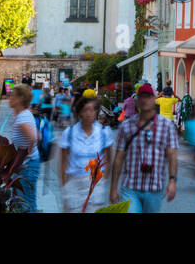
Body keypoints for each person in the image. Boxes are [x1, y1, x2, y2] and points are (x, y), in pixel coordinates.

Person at [109, 83, 178, 213]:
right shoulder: (126, 126)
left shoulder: (167, 126)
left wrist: (172, 180)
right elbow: (118, 158)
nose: (145, 100)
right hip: (130, 186)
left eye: (148, 96)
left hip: (155, 188)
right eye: (142, 97)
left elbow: (172, 155)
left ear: (154, 99)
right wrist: (113, 188)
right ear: (137, 101)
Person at [56, 94, 115, 212]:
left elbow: (109, 158)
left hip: (95, 185)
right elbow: (63, 160)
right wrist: (64, 183)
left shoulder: (103, 132)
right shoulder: (70, 133)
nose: (89, 113)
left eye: (92, 110)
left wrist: (103, 179)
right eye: (85, 110)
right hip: (74, 183)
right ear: (79, 112)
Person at [6, 83, 41, 212]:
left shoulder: (22, 118)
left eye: (12, 96)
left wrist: (26, 154)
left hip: (27, 166)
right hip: (27, 165)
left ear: (20, 98)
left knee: (27, 204)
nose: (10, 98)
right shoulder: (24, 114)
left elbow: (34, 137)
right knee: (24, 202)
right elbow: (38, 134)